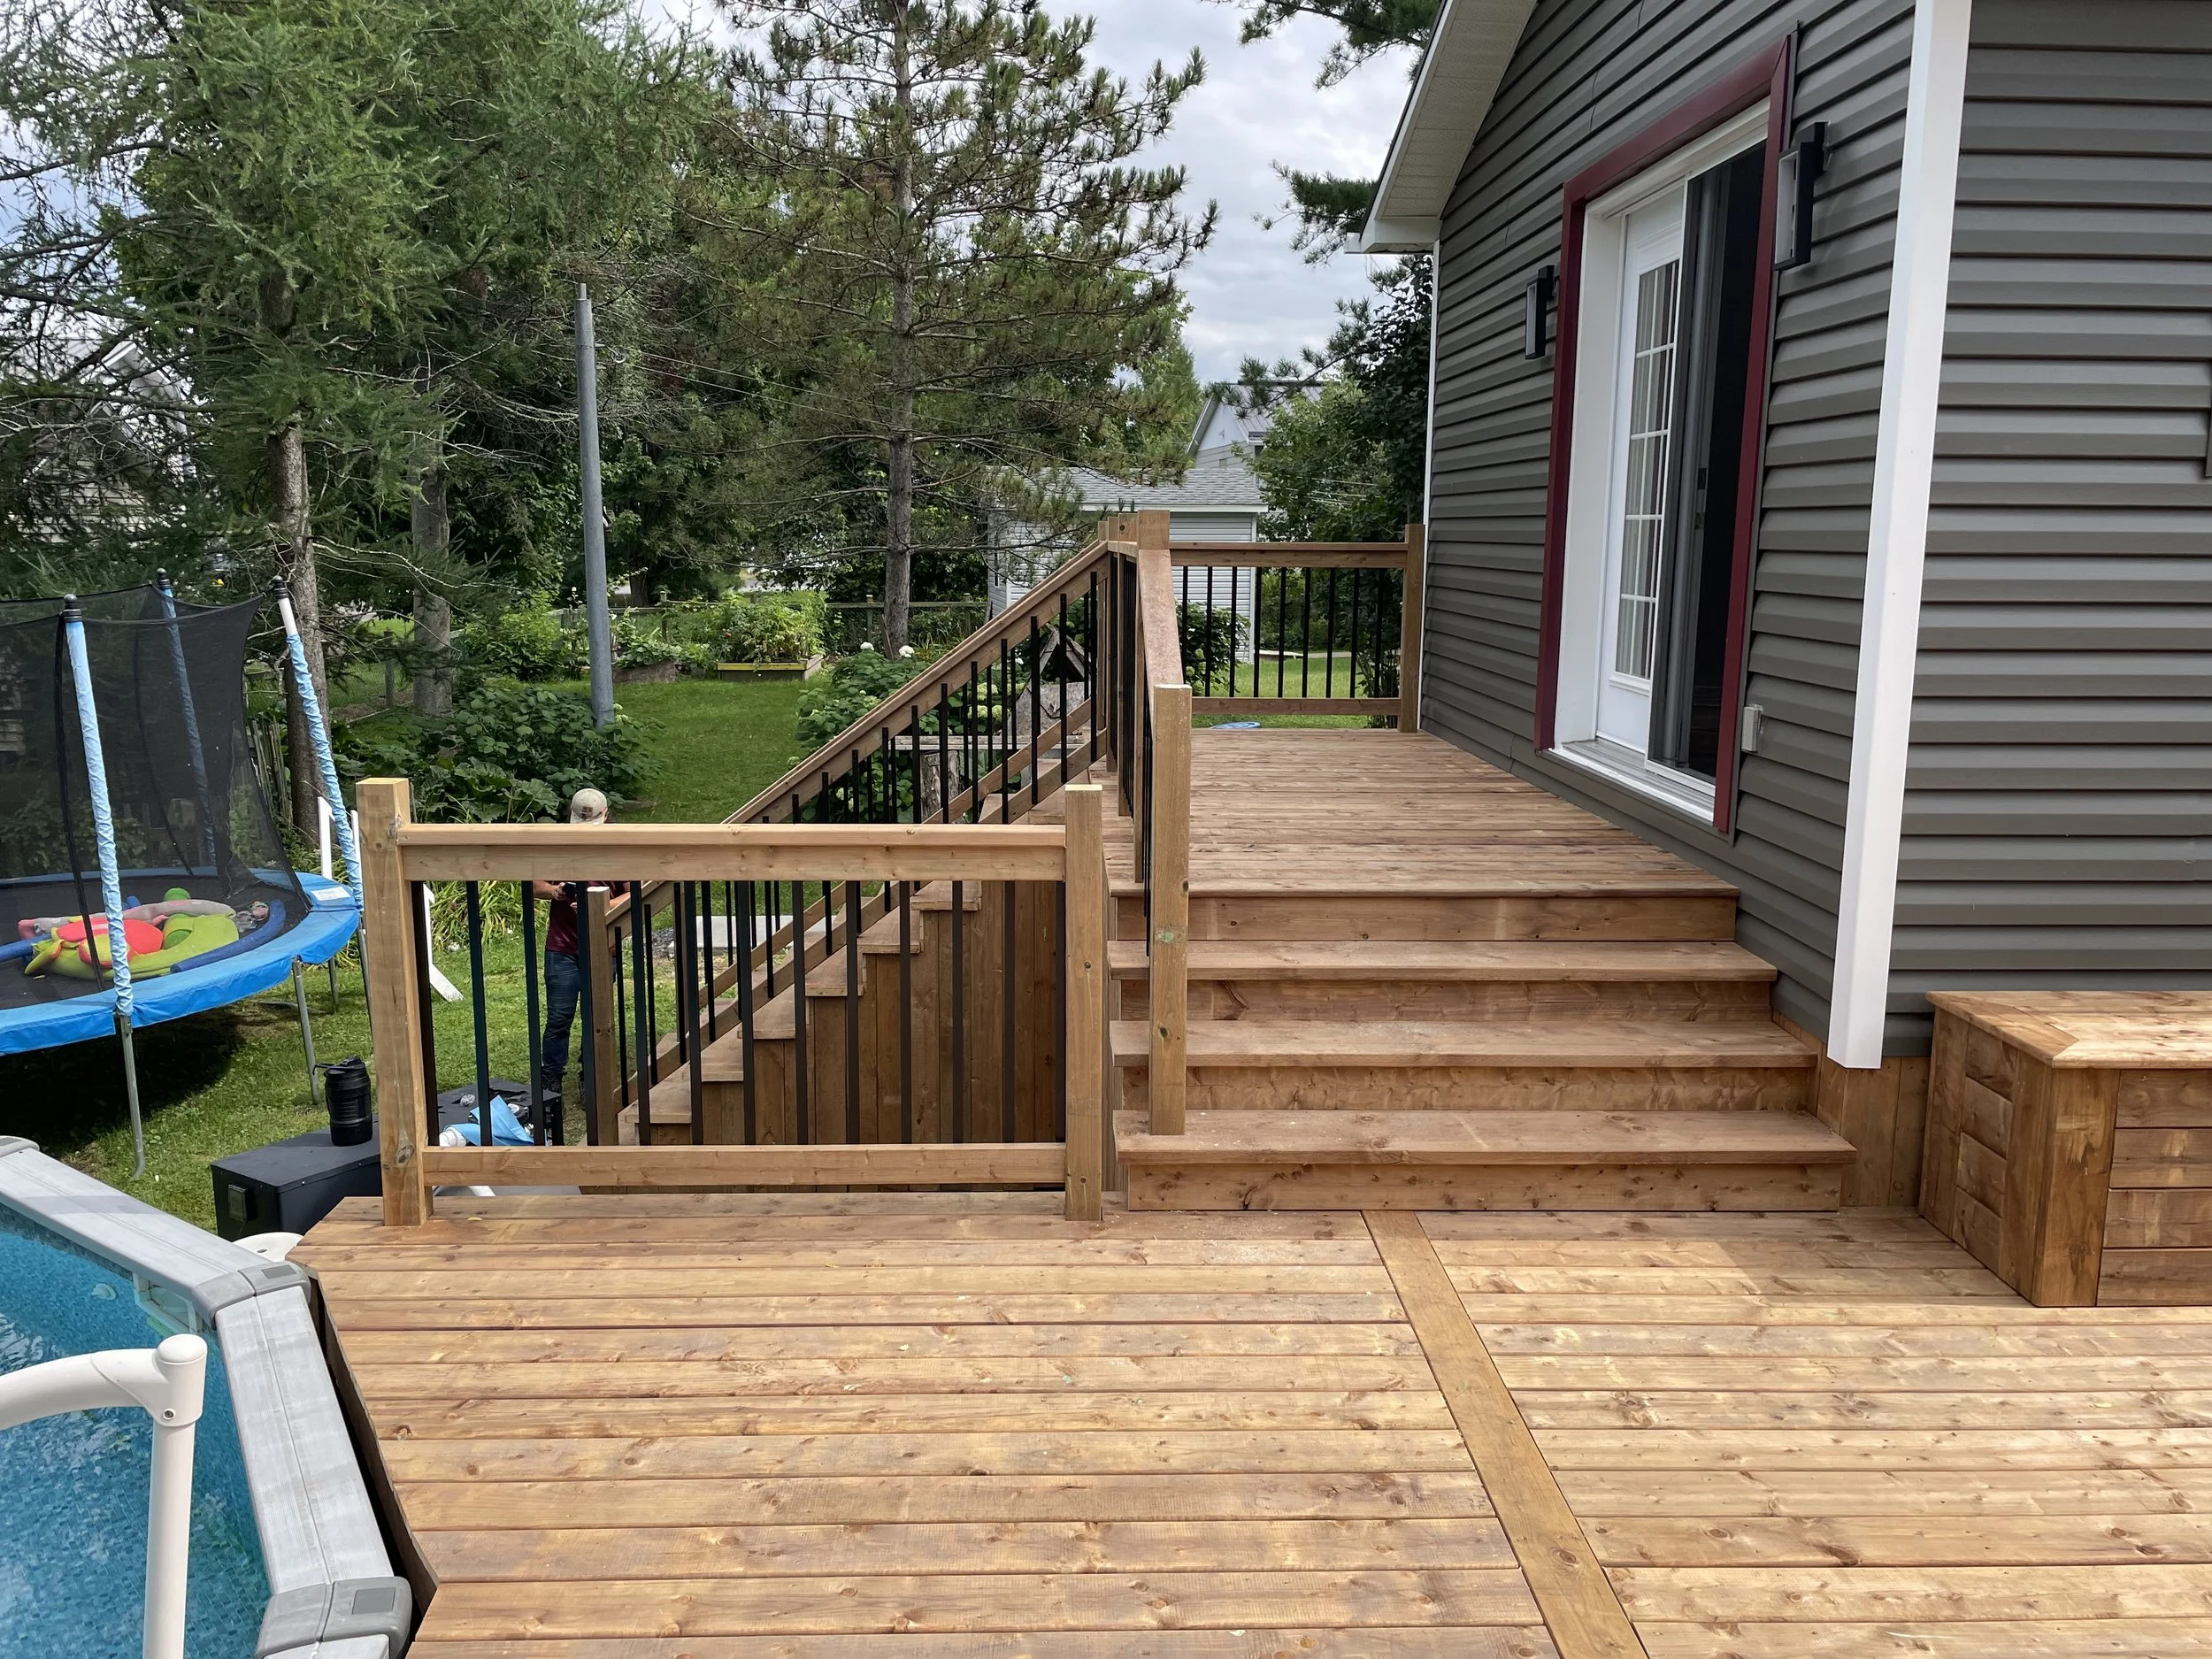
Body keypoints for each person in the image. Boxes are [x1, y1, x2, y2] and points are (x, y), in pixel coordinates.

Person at [533, 787, 609, 1111]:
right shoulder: (559, 847)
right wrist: (557, 892)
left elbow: (635, 893)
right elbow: (535, 885)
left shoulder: (618, 852)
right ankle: (551, 1085)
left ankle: (590, 1078)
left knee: (597, 1018)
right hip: (561, 949)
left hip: (602, 947)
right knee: (559, 1019)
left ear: (607, 817)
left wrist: (598, 905)